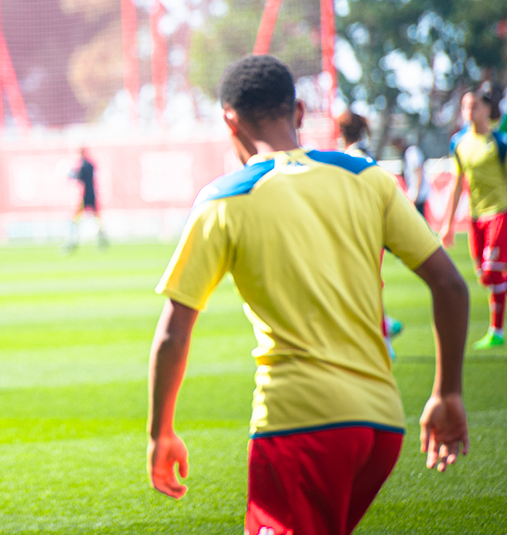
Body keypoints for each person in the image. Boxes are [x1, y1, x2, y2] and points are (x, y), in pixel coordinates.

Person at [148, 55, 470, 535]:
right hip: (381, 426)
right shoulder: (367, 177)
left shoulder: (224, 199)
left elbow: (175, 332)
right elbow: (450, 284)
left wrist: (160, 433)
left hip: (299, 426)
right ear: (299, 112)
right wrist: (447, 392)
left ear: (229, 121)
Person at [440, 82, 507, 349]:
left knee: (493, 271)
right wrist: (447, 225)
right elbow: (457, 184)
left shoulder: (499, 143)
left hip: (499, 212)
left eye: (474, 106)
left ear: (486, 109)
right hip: (475, 216)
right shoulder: (459, 143)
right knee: (484, 275)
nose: (469, 110)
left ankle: (496, 331)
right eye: (465, 106)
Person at [336, 109, 403, 357]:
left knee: (364, 283)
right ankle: (384, 327)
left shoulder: (352, 158)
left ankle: (383, 338)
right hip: (370, 227)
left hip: (360, 229)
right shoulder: (365, 155)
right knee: (366, 282)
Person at [61, 147, 107, 253]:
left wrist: (69, 174)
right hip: (90, 194)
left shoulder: (85, 165)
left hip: (86, 195)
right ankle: (102, 242)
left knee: (76, 220)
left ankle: (71, 243)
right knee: (95, 219)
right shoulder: (89, 164)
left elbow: (79, 176)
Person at [394, 135, 429, 216]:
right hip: (414, 193)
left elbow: (418, 172)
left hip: (419, 194)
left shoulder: (412, 152)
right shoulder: (407, 154)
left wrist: (416, 193)